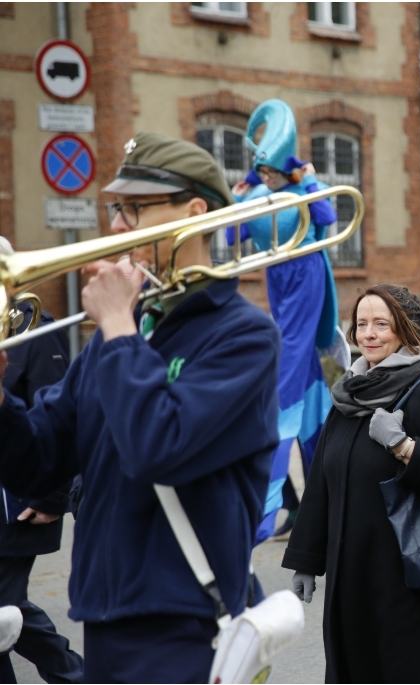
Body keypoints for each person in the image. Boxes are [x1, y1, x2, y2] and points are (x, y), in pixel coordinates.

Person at [0, 134, 281, 683]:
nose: (118, 227)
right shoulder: (120, 336)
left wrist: (120, 328)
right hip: (104, 612)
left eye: (135, 209)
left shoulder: (244, 336)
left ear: (195, 212)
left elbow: (160, 447)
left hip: (186, 621)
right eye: (117, 209)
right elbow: (37, 463)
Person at [283, 285, 420, 682]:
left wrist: (403, 446)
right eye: (362, 324)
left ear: (405, 331)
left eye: (381, 324)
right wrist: (306, 561)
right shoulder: (347, 398)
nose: (368, 334)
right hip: (351, 576)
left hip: (410, 580)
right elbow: (321, 485)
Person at [231, 99, 339, 543]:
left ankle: (268, 502)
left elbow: (330, 217)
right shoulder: (259, 191)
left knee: (288, 380)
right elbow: (231, 237)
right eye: (265, 173)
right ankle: (320, 501)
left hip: (307, 271)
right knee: (309, 388)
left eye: (275, 172)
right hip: (279, 275)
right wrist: (236, 201)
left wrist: (309, 180)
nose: (269, 178)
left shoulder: (301, 185)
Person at [0, 238, 84, 684]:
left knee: (3, 607)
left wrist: (52, 497)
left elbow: (58, 418)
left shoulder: (36, 332)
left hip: (23, 504)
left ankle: (73, 673)